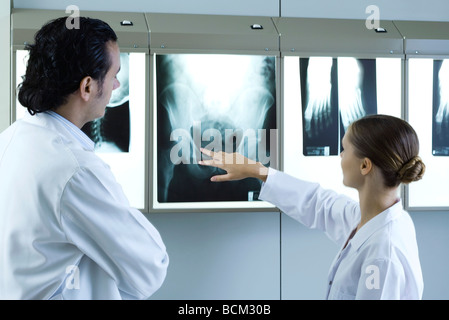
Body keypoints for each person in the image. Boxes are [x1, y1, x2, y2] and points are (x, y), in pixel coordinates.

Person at [0, 16, 168, 299]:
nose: (116, 86)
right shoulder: (76, 170)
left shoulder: (11, 138)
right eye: (114, 75)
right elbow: (150, 270)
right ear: (87, 87)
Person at [200, 114, 425, 300]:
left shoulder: (382, 254)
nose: (340, 155)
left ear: (365, 165)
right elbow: (318, 202)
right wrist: (256, 170)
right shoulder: (375, 218)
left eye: (344, 149)